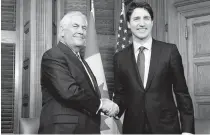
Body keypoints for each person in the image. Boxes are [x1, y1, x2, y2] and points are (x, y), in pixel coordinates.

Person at [113, 1, 195, 134]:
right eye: (136, 19)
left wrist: (188, 130)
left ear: (152, 22)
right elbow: (120, 94)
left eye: (146, 18)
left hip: (166, 128)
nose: (142, 23)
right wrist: (115, 107)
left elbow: (182, 93)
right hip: (133, 129)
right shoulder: (119, 58)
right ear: (128, 24)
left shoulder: (169, 51)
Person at [38, 11, 119, 134]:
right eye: (75, 26)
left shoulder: (80, 60)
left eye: (84, 28)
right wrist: (101, 104)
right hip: (64, 130)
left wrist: (103, 103)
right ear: (62, 31)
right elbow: (69, 92)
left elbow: (86, 94)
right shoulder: (53, 55)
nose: (81, 31)